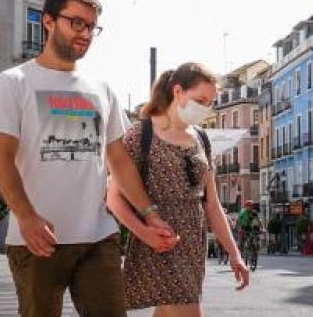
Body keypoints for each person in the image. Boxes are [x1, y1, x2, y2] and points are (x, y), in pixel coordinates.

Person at [0, 0, 175, 317]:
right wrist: (26, 217)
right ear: (49, 21)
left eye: (92, 27)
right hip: (37, 240)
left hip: (98, 237)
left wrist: (149, 212)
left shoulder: (101, 88)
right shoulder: (13, 82)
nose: (85, 33)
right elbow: (0, 158)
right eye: (77, 23)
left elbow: (119, 160)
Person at [107, 62, 249, 315]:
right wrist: (144, 232)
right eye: (200, 100)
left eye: (209, 103)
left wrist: (234, 253)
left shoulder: (202, 139)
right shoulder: (141, 135)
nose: (204, 109)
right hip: (159, 242)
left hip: (193, 245)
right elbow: (114, 198)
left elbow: (212, 205)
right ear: (178, 92)